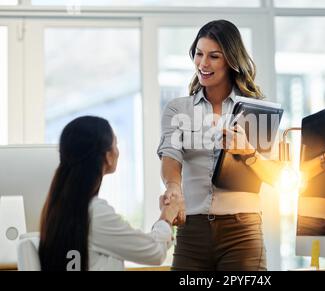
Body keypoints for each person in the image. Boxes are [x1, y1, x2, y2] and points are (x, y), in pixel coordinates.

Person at [157, 19, 285, 271]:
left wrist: (247, 152)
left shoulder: (257, 112)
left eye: (214, 56)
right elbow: (170, 156)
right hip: (191, 231)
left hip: (242, 233)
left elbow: (277, 176)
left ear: (230, 60)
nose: (203, 64)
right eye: (199, 54)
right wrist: (173, 186)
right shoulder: (177, 109)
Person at [39, 116, 181, 271]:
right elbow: (154, 252)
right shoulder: (95, 212)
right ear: (108, 156)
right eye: (116, 144)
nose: (118, 151)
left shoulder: (57, 207)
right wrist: (167, 216)